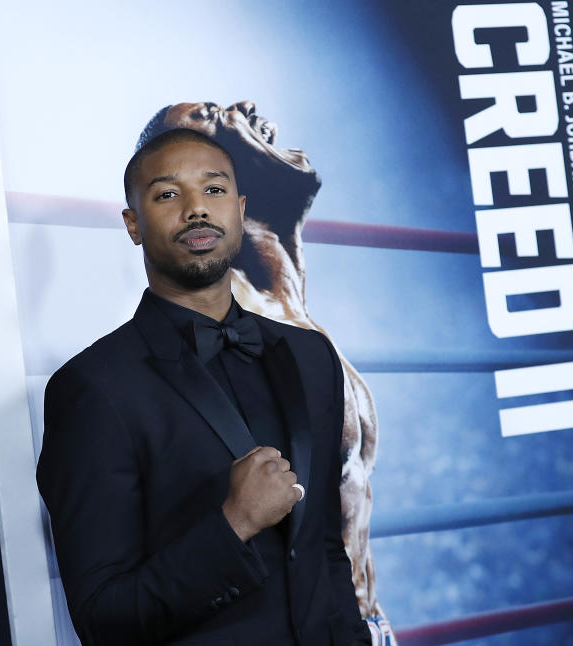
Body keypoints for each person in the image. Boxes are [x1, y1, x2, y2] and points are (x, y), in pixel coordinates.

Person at [37, 127, 373, 645]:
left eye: (213, 190)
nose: (196, 209)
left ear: (240, 210)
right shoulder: (92, 388)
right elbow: (104, 617)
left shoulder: (310, 354)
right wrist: (234, 523)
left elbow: (326, 548)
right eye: (168, 194)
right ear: (133, 223)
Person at [136, 102, 391, 641]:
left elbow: (300, 180)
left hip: (365, 623)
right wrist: (235, 133)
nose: (238, 110)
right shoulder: (222, 330)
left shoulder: (290, 307)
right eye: (212, 115)